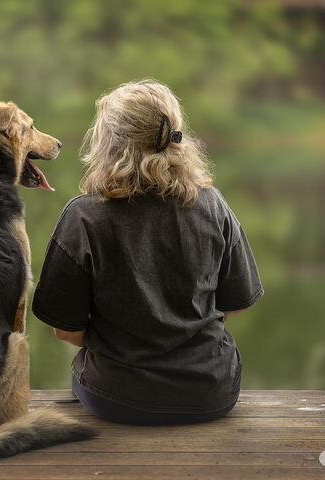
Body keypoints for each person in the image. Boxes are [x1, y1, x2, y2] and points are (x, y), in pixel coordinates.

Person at [32, 79, 263, 426]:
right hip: (211, 393)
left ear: (109, 144)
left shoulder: (83, 217)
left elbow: (65, 330)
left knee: (82, 373)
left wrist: (119, 347)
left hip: (116, 397)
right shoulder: (214, 206)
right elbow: (239, 302)